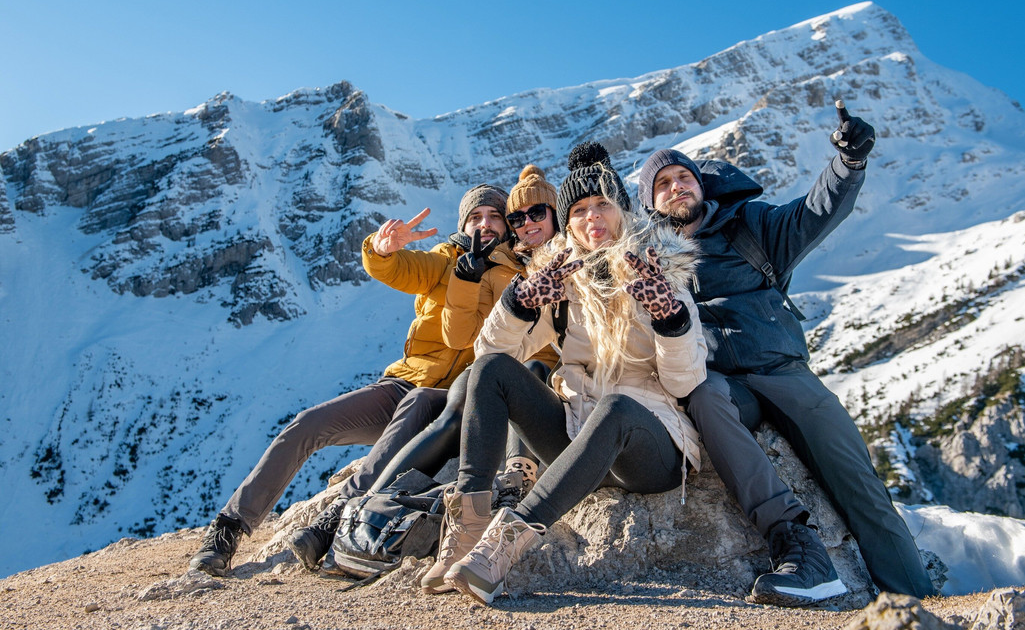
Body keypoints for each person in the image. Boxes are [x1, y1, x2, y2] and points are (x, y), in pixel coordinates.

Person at [638, 101, 935, 605]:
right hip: (721, 380)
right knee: (705, 397)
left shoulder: (751, 225)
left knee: (857, 481)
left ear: (701, 183)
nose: (676, 187)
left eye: (683, 176)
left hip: (783, 370)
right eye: (662, 184)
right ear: (650, 203)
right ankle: (798, 546)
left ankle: (916, 603)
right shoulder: (645, 258)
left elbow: (816, 210)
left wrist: (849, 163)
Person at [425, 141, 707, 605]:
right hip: (577, 437)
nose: (592, 217)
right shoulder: (560, 278)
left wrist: (668, 317)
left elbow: (685, 383)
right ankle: (465, 531)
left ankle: (505, 545)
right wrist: (519, 302)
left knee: (619, 405)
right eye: (579, 209)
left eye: (603, 204)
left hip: (648, 448)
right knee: (494, 370)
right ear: (568, 221)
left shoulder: (657, 268)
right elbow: (489, 352)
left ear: (622, 211)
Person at [189, 185, 508, 576]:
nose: (485, 224)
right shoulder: (444, 261)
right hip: (404, 383)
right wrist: (382, 248)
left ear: (508, 223)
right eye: (476, 217)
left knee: (419, 401)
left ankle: (338, 514)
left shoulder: (511, 273)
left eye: (494, 216)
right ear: (463, 224)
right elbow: (399, 269)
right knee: (308, 424)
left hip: (450, 402)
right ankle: (228, 528)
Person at [284, 167, 562, 569]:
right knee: (436, 406)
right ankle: (354, 512)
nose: (525, 224)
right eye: (516, 217)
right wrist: (386, 253)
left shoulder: (541, 261)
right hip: (462, 379)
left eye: (533, 214)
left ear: (556, 214)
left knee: (528, 369)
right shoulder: (464, 262)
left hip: (534, 382)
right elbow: (458, 331)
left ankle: (516, 483)